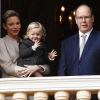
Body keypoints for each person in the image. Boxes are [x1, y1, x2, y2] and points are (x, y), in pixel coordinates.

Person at [58, 4, 100, 99]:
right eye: (80, 17)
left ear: (92, 18)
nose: (83, 21)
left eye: (87, 17)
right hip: (72, 95)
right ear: (76, 20)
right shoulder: (66, 43)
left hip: (95, 94)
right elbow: (62, 71)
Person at [0, 10, 50, 78]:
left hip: (31, 84)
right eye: (11, 24)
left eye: (17, 23)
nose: (15, 26)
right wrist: (32, 70)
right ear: (4, 26)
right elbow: (8, 68)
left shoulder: (27, 42)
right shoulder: (1, 42)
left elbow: (47, 68)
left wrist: (37, 67)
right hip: (12, 85)